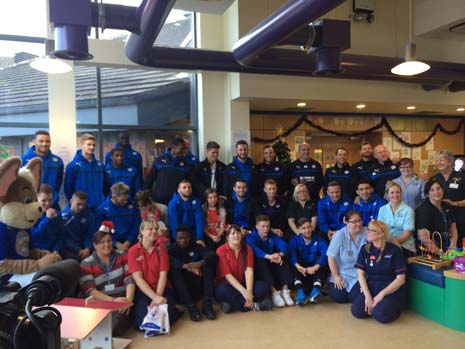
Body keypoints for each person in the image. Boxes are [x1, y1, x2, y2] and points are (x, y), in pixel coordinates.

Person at [79, 222, 135, 336]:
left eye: (109, 241)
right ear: (95, 245)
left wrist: (128, 301)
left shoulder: (122, 255)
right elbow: (90, 291)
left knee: (113, 325)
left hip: (122, 299)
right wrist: (113, 301)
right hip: (101, 301)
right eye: (102, 242)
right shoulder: (86, 263)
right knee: (93, 326)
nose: (107, 245)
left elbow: (130, 279)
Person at [128, 219, 181, 329]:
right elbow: (138, 279)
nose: (154, 231)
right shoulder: (133, 251)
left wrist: (158, 297)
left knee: (165, 322)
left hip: (161, 288)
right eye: (150, 229)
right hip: (143, 290)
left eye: (156, 229)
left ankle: (173, 309)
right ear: (142, 231)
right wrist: (154, 298)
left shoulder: (161, 248)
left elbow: (163, 275)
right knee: (141, 324)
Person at [351, 220, 407, 324]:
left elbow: (400, 279)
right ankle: (377, 306)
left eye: (371, 230)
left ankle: (392, 306)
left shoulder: (394, 250)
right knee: (357, 311)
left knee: (380, 314)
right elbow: (360, 275)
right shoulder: (365, 249)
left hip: (390, 289)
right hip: (372, 286)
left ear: (381, 234)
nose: (367, 232)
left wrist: (381, 295)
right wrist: (367, 296)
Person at [215, 225, 272, 313]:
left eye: (238, 233)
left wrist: (248, 292)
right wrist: (244, 292)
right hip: (228, 285)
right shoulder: (221, 250)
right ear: (227, 237)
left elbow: (249, 271)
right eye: (233, 233)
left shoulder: (248, 249)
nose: (236, 235)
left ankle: (231, 305)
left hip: (243, 283)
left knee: (263, 287)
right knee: (222, 291)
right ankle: (255, 306)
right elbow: (228, 275)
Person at [168, 226, 217, 321]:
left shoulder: (195, 246)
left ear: (189, 238)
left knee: (207, 266)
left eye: (185, 238)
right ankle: (191, 307)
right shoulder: (171, 249)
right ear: (176, 238)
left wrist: (200, 263)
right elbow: (168, 260)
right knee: (174, 271)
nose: (183, 240)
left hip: (196, 287)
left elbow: (212, 255)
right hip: (181, 292)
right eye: (180, 238)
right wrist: (185, 266)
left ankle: (207, 305)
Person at [245, 215, 294, 307]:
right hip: (261, 265)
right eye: (263, 226)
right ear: (257, 226)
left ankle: (285, 290)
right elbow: (254, 249)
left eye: (267, 226)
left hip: (273, 261)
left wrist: (280, 255)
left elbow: (284, 245)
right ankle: (274, 292)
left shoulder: (272, 235)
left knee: (283, 259)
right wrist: (269, 256)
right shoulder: (251, 237)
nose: (266, 229)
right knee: (260, 262)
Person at [327, 210, 366, 304]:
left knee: (356, 298)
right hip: (342, 274)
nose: (358, 224)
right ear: (346, 222)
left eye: (360, 221)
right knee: (338, 297)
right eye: (354, 221)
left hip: (360, 274)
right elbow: (331, 257)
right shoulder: (339, 235)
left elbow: (384, 234)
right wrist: (336, 276)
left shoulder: (366, 233)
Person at [289, 218, 329, 305]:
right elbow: (292, 256)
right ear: (299, 229)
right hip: (302, 272)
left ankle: (315, 291)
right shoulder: (294, 240)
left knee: (325, 263)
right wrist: (299, 267)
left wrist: (315, 267)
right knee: (293, 265)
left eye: (309, 227)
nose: (307, 230)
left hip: (315, 271)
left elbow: (325, 254)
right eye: (303, 228)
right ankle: (300, 291)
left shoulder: (319, 239)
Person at [22, 130, 64, 209]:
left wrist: (52, 198)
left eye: (47, 141)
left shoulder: (57, 161)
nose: (44, 144)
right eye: (41, 141)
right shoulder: (24, 160)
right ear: (34, 142)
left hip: (52, 204)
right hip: (31, 206)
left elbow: (58, 183)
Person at [431, 150, 465, 248]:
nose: (438, 162)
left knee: (459, 248)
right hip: (441, 220)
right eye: (437, 160)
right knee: (443, 247)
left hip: (460, 219)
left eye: (442, 160)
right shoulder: (434, 179)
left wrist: (455, 203)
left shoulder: (462, 177)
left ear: (450, 161)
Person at [95, 182, 141, 253]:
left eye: (127, 199)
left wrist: (128, 242)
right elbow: (102, 231)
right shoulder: (101, 210)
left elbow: (137, 225)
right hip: (111, 244)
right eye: (123, 200)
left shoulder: (133, 206)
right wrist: (115, 243)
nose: (126, 202)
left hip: (132, 242)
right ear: (114, 197)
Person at [415, 178, 458, 254]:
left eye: (438, 188)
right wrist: (440, 254)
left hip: (448, 248)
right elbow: (423, 237)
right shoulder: (424, 211)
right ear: (427, 194)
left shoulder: (446, 205)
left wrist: (453, 245)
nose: (436, 192)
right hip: (430, 253)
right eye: (432, 190)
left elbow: (453, 227)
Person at [64, 133, 105, 211]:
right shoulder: (72, 165)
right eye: (89, 144)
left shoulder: (100, 165)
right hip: (81, 206)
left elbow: (105, 186)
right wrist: (75, 203)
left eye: (93, 145)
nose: (92, 147)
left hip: (99, 206)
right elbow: (68, 188)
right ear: (82, 145)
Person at [144, 137, 190, 205]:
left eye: (185, 148)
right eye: (181, 148)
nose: (184, 151)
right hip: (159, 201)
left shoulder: (185, 164)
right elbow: (150, 178)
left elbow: (191, 181)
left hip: (178, 202)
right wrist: (145, 194)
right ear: (174, 147)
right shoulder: (159, 160)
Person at [377, 181, 416, 256]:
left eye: (397, 192)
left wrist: (391, 243)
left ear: (401, 193)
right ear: (387, 195)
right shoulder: (382, 209)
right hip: (386, 245)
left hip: (405, 247)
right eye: (392, 193)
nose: (395, 195)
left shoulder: (409, 210)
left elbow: (406, 235)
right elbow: (380, 230)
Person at [59, 192, 95, 261]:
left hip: (86, 247)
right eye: (78, 204)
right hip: (70, 248)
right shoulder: (62, 217)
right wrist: (78, 250)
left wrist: (87, 248)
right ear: (71, 201)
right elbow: (64, 238)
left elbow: (90, 234)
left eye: (84, 205)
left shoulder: (90, 215)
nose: (81, 207)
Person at [168, 180, 204, 245]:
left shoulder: (197, 201)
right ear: (178, 190)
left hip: (193, 236)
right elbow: (174, 224)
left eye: (189, 187)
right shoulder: (173, 204)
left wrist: (200, 238)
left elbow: (199, 220)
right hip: (180, 237)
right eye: (184, 187)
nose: (187, 189)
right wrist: (177, 240)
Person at [30, 184, 64, 252]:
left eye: (50, 200)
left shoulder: (57, 214)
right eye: (44, 200)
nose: (48, 203)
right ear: (37, 199)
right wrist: (47, 219)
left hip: (54, 250)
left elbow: (61, 236)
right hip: (38, 251)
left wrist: (56, 250)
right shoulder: (31, 215)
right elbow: (34, 237)